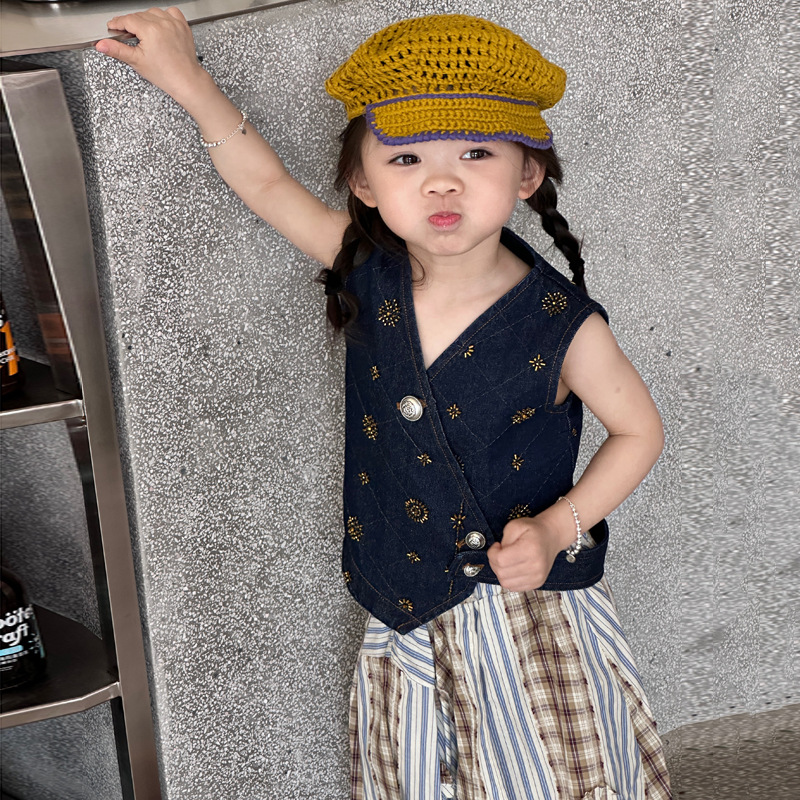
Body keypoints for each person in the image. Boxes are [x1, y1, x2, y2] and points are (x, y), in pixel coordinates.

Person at [97, 10, 671, 799]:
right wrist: (188, 81)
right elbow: (266, 184)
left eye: (477, 152)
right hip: (402, 605)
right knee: (417, 772)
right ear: (365, 184)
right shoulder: (368, 272)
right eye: (406, 158)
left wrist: (555, 528)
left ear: (527, 173)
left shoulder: (563, 325)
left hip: (525, 615)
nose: (443, 181)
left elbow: (640, 432)